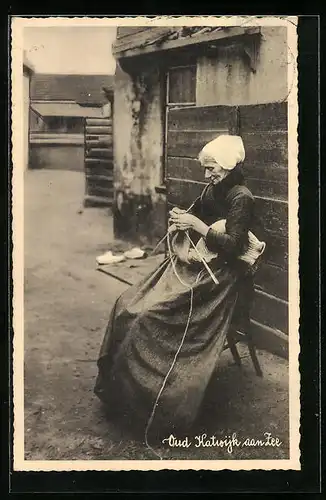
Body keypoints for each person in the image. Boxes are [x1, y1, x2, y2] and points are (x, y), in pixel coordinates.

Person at [94, 134, 256, 447]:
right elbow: (196, 211)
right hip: (198, 264)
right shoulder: (213, 188)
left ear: (228, 165)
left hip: (220, 277)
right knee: (127, 303)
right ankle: (122, 396)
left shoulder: (241, 197)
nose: (207, 175)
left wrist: (196, 225)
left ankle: (154, 405)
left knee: (149, 315)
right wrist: (180, 219)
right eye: (206, 169)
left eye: (212, 169)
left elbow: (235, 246)